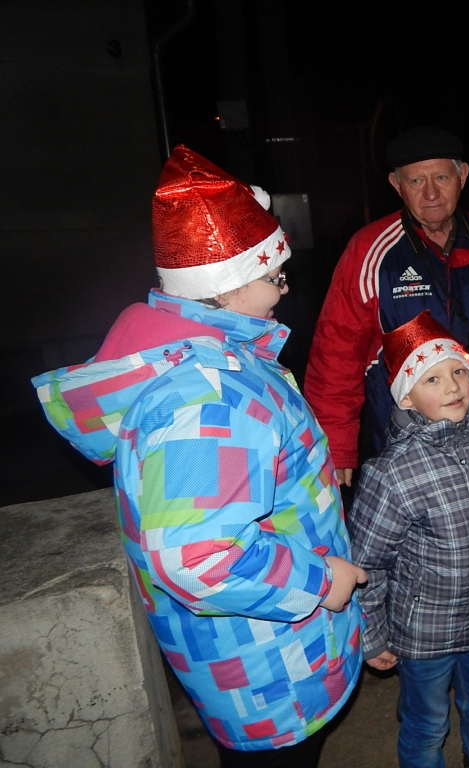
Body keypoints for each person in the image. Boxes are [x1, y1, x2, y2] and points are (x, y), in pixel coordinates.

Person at [32, 146, 366, 766]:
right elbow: (199, 556)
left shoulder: (206, 359)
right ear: (228, 286)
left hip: (268, 649)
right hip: (269, 671)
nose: (285, 290)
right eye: (276, 277)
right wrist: (323, 582)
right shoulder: (210, 396)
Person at [305, 125, 469, 698]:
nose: (430, 192)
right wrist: (338, 445)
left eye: (441, 177)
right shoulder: (371, 252)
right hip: (408, 444)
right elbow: (336, 352)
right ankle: (416, 656)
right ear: (396, 185)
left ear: (462, 176)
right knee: (412, 550)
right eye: (415, 180)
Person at [348, 311, 469, 768]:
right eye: (433, 379)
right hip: (424, 634)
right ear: (406, 397)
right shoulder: (391, 474)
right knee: (427, 724)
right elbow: (367, 563)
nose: (452, 386)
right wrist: (373, 635)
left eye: (458, 372)